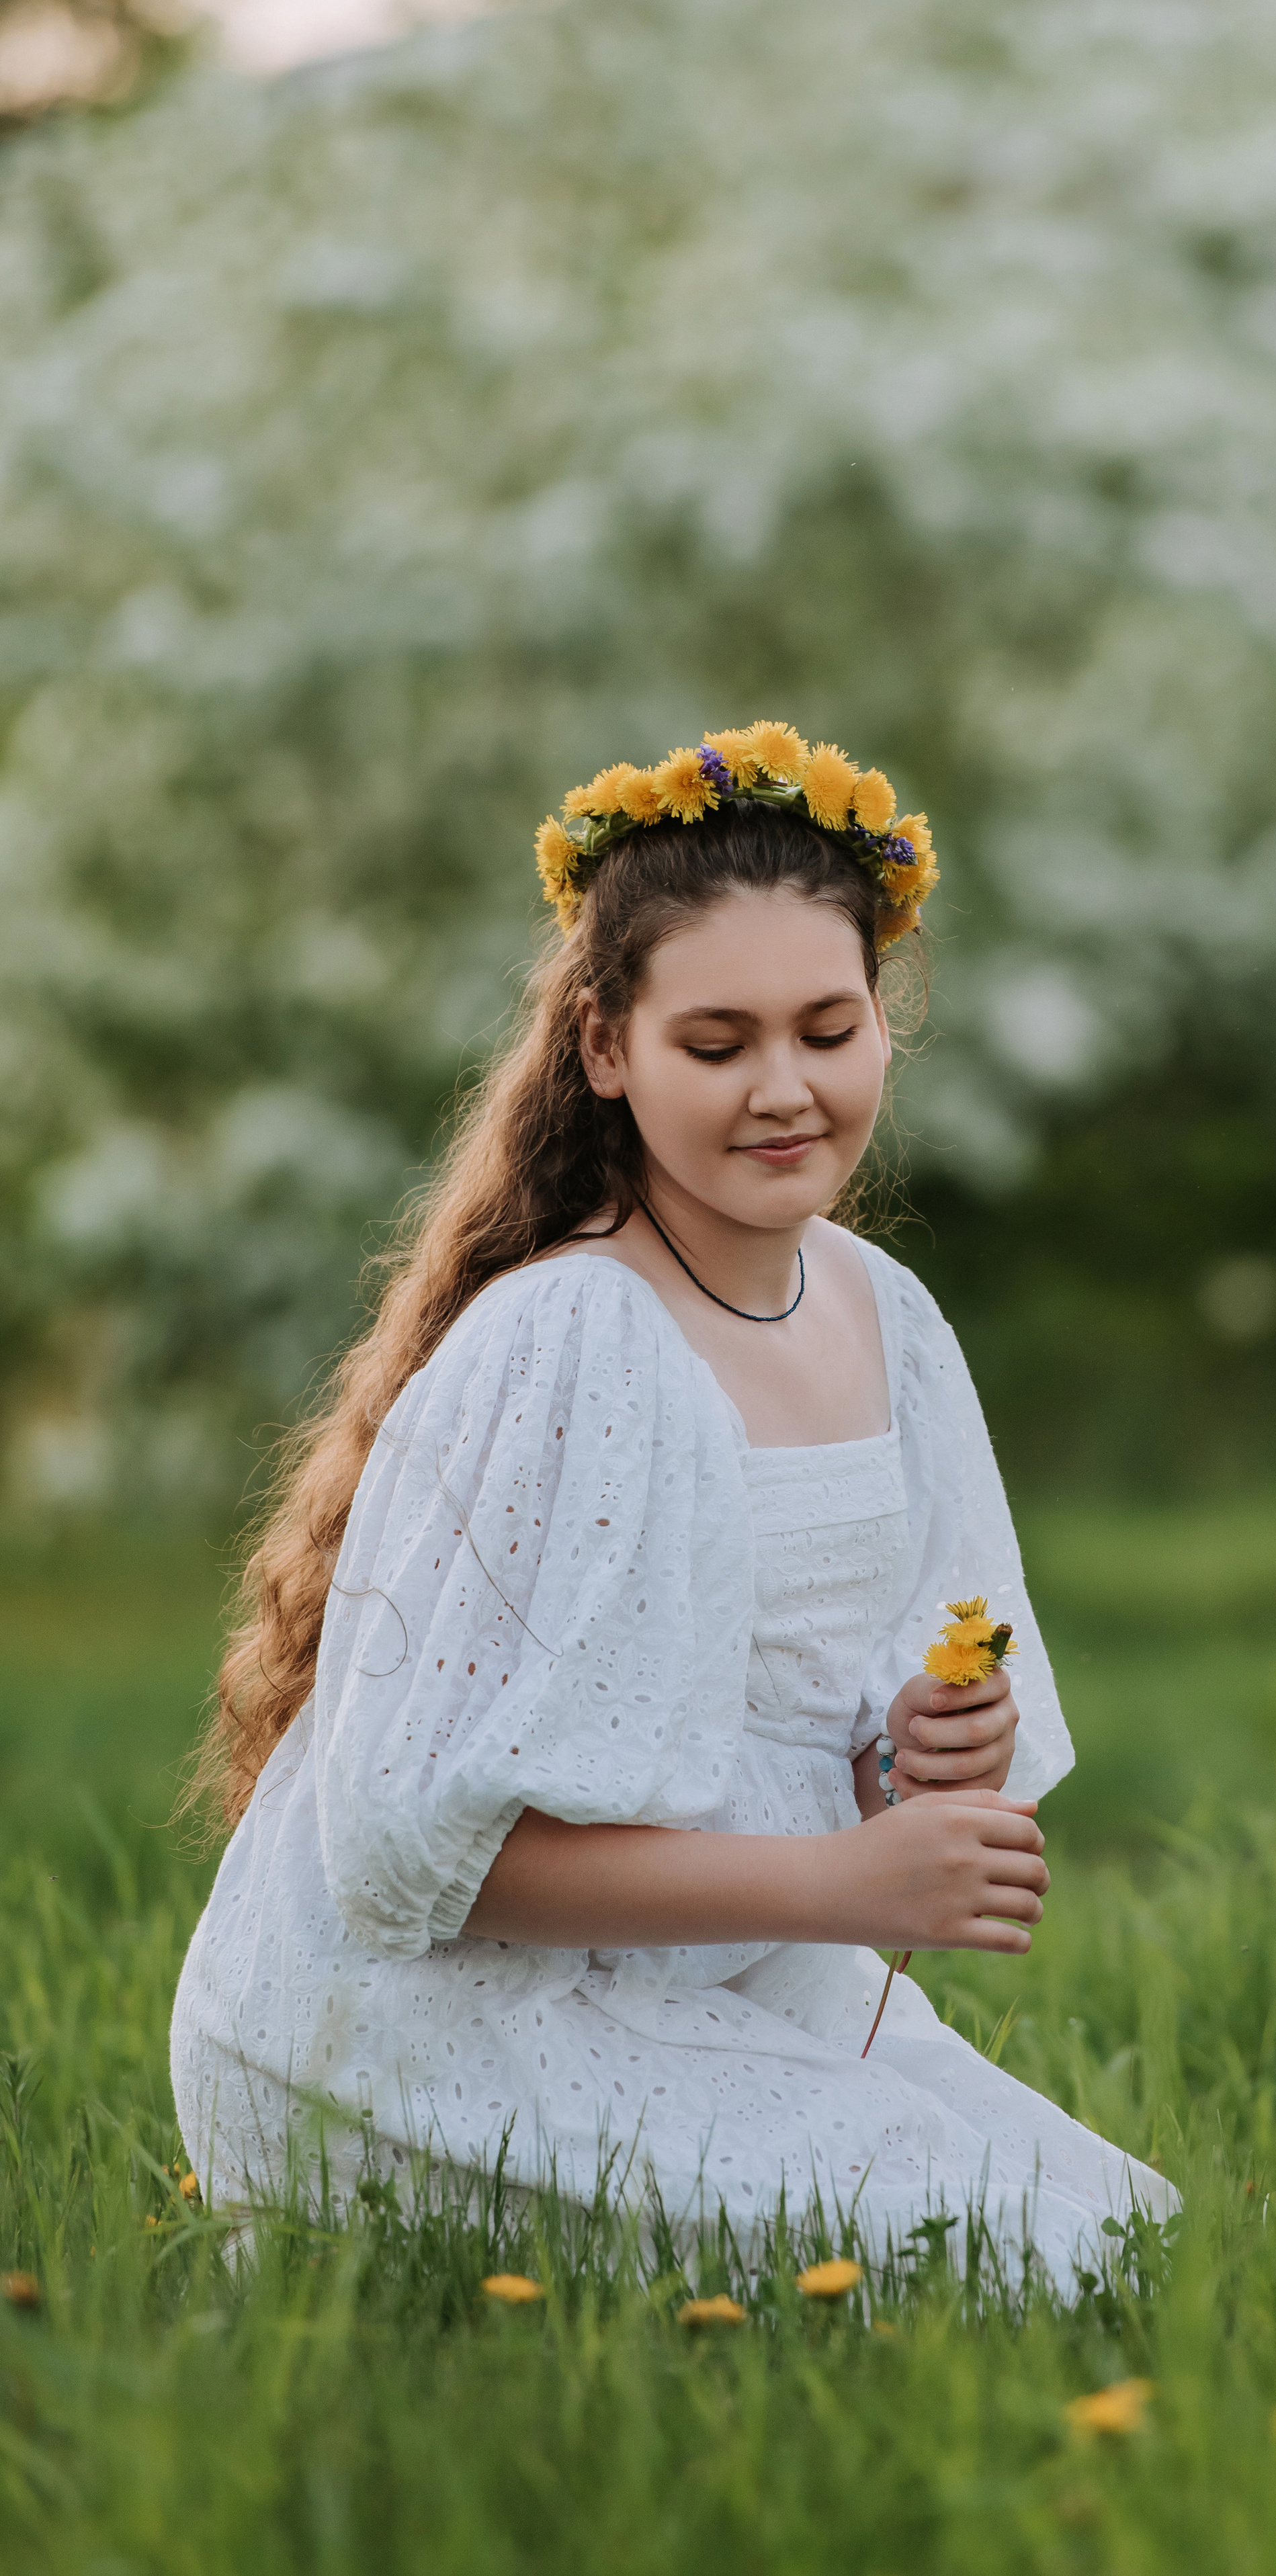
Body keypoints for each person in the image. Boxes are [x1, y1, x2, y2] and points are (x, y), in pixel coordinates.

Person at [171, 721, 1177, 2284]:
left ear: (883, 1026)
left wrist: (907, 1758)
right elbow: (415, 1873)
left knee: (1117, 2241)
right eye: (716, 1045)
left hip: (716, 1968)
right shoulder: (568, 1340)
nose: (784, 1092)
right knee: (1001, 2263)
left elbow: (801, 1747)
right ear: (604, 1048)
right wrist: (843, 1883)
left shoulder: (882, 1314)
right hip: (426, 2027)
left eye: (827, 1030)